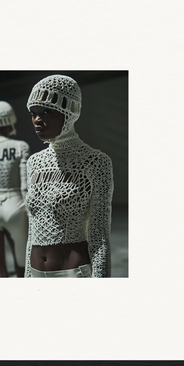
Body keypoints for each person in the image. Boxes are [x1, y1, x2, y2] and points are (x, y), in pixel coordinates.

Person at [24, 74, 114, 278]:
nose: (37, 119)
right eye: (33, 112)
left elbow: (99, 234)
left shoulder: (95, 162)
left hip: (72, 272)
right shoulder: (34, 163)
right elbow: (32, 229)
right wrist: (27, 275)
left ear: (69, 112)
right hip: (36, 271)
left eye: (47, 111)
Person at [0, 101, 30, 277]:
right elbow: (25, 184)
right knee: (23, 268)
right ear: (11, 121)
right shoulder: (21, 146)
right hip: (16, 206)